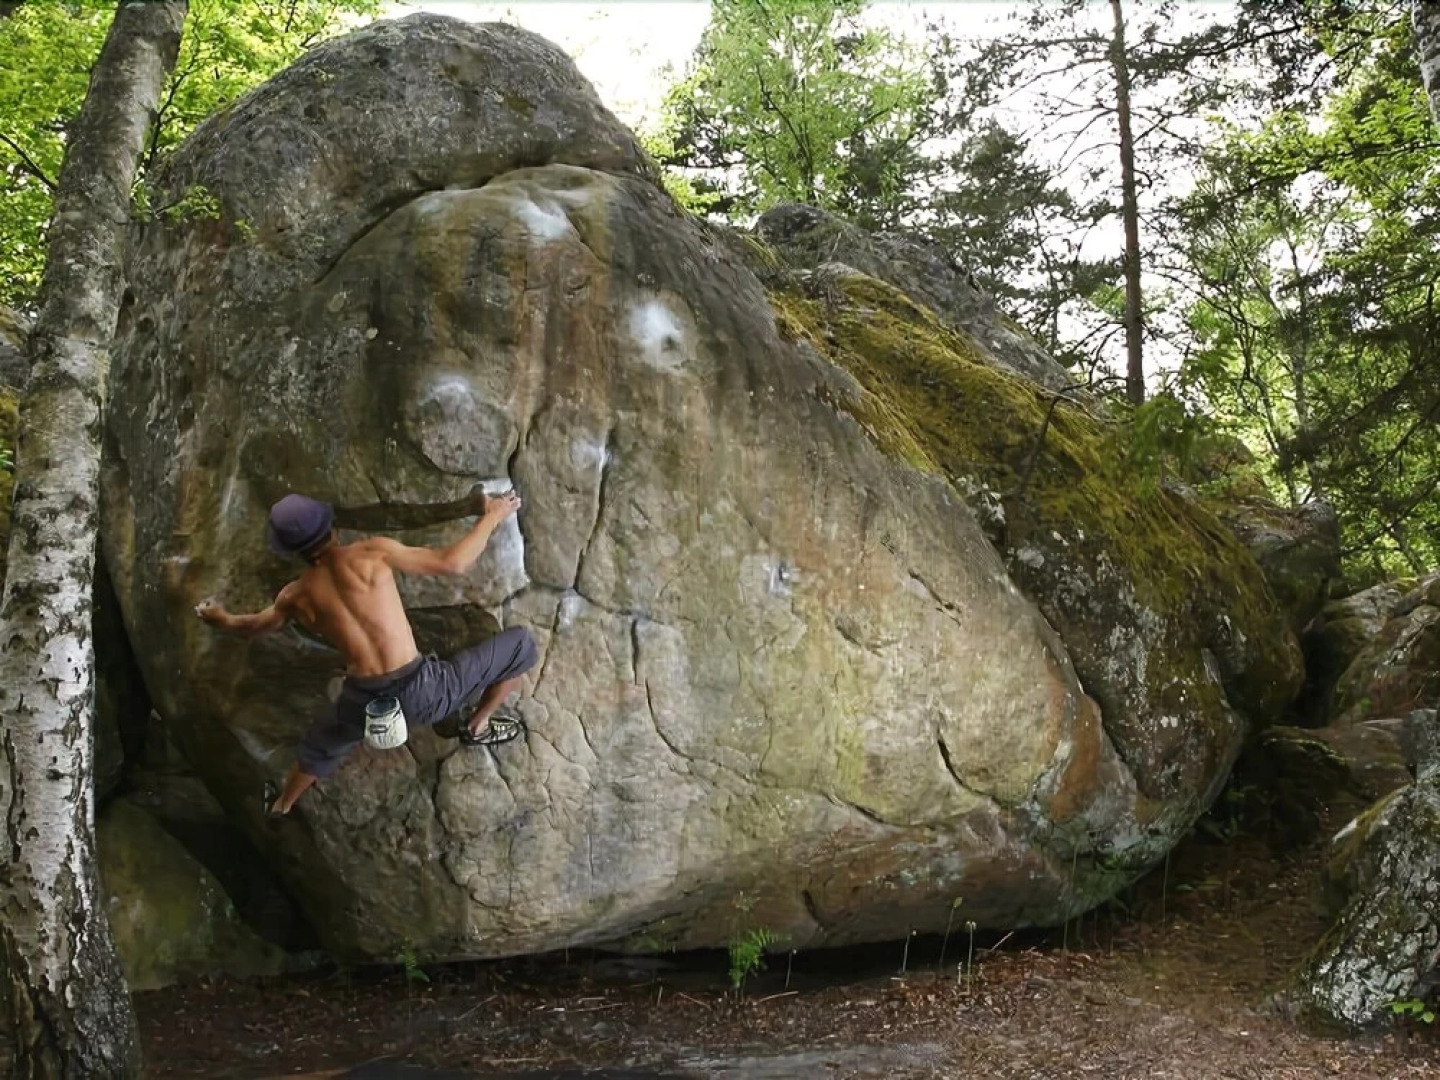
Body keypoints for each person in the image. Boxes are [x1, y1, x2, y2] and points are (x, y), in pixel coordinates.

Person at [195, 490, 539, 815]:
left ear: (290, 550)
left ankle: (282, 805)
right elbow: (453, 563)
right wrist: (493, 516)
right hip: (426, 690)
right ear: (329, 526)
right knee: (521, 645)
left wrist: (220, 618)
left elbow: (252, 628)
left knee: (321, 746)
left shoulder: (294, 596)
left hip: (365, 704)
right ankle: (476, 726)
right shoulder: (370, 553)